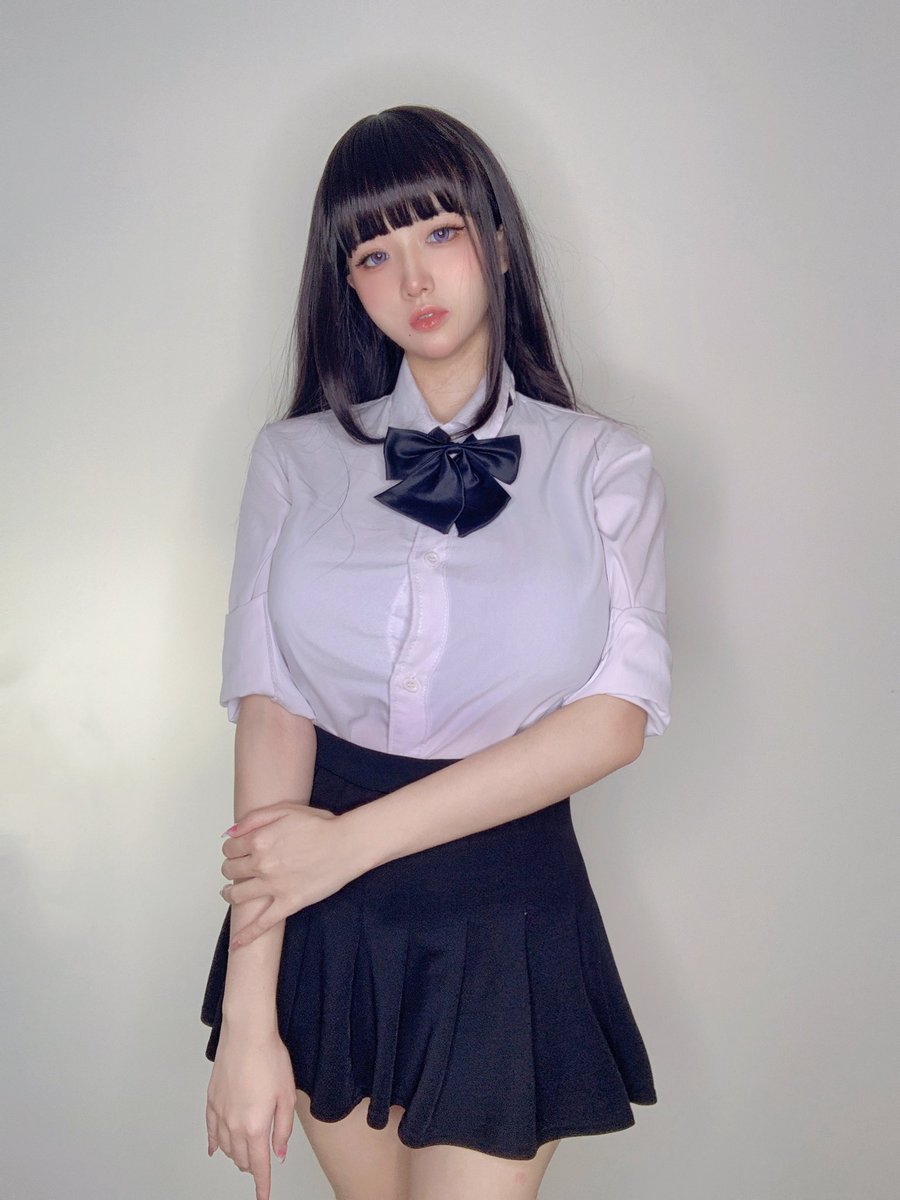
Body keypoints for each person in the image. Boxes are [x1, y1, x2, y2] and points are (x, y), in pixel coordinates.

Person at [200, 104, 671, 1200]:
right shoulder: (293, 460)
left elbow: (613, 723)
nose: (413, 276)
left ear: (497, 245)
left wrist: (347, 846)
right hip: (319, 922)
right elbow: (273, 712)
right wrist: (251, 1018)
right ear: (347, 285)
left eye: (441, 232)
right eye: (374, 253)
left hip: (503, 910)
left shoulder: (603, 464)